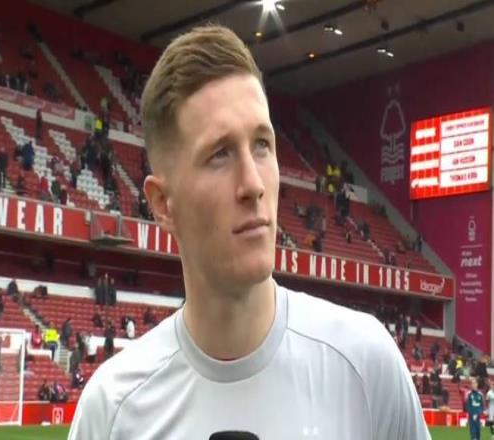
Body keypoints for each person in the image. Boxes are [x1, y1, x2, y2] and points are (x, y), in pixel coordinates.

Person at [68, 25, 430, 439]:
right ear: (164, 204)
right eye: (220, 154)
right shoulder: (112, 410)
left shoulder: (367, 367)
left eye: (262, 144)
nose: (253, 184)